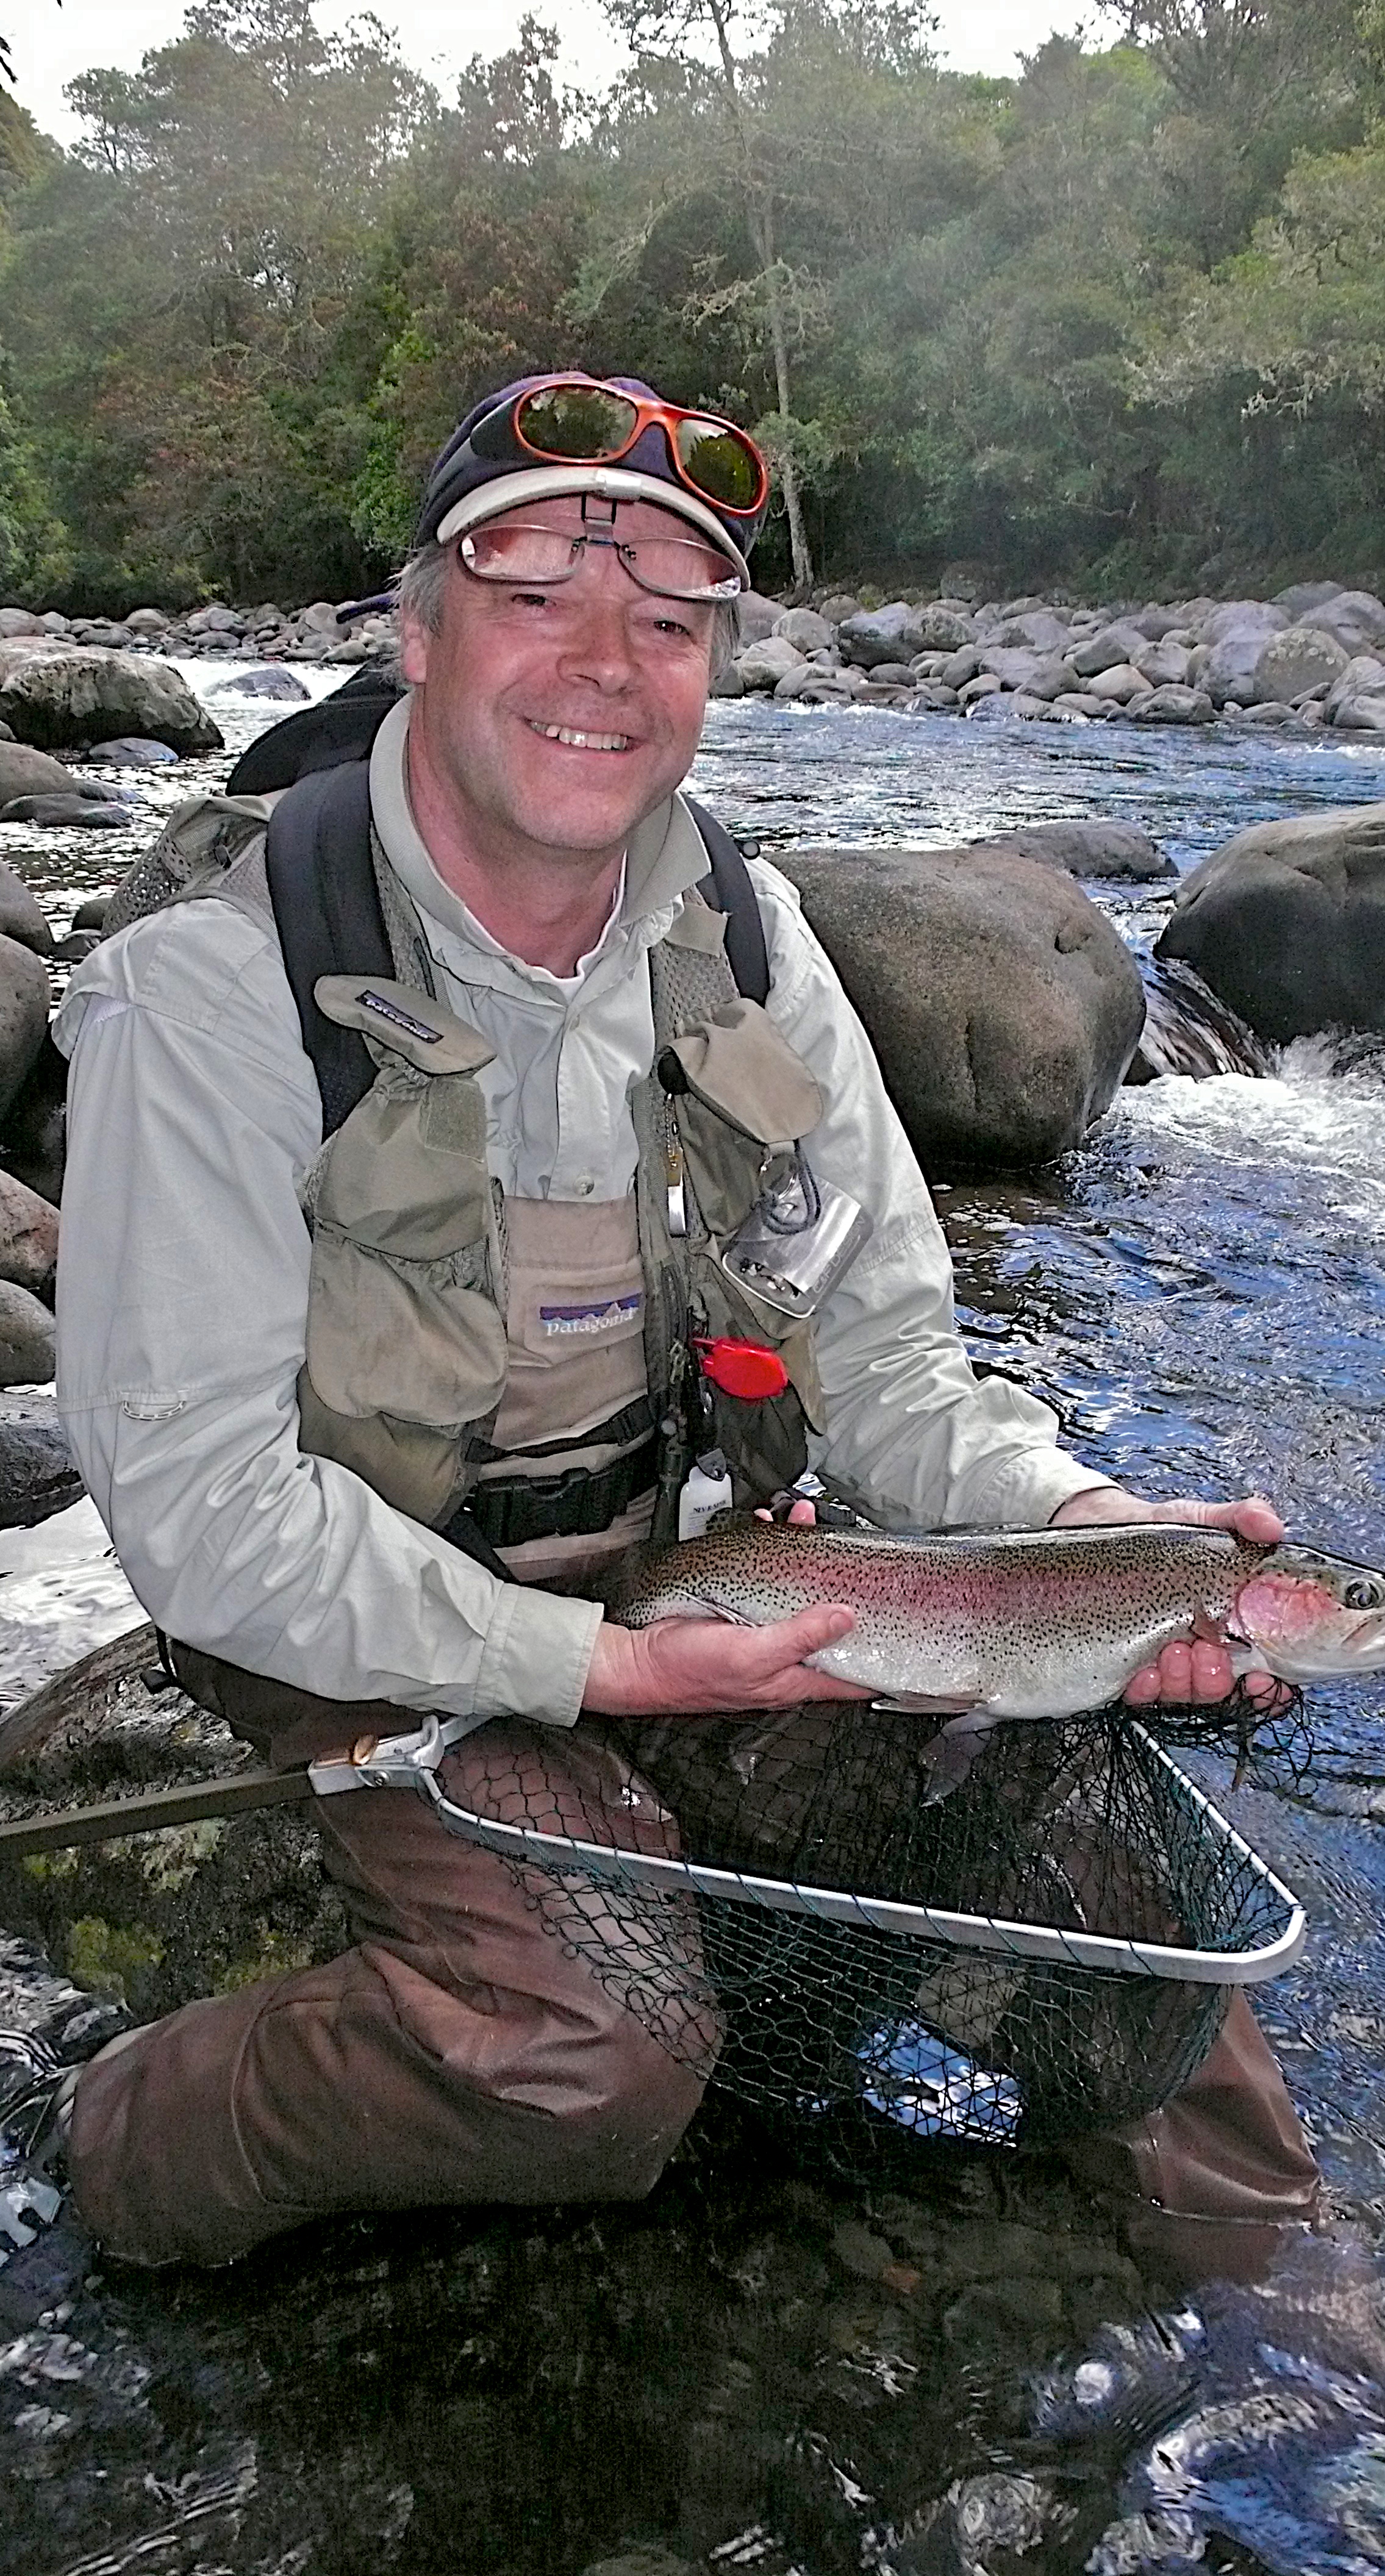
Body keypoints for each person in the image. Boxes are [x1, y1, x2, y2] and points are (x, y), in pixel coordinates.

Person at [0, 374, 1317, 2270]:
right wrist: (603, 1679)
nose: (607, 664)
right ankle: (117, 2132)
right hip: (363, 1617)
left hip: (692, 1569)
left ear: (712, 665)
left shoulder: (758, 942)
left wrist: (1094, 1542)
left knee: (1113, 1866)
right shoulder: (212, 997)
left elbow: (889, 1369)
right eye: (536, 591)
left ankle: (1276, 2322)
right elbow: (206, 1521)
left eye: (672, 618)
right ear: (418, 630)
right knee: (588, 2055)